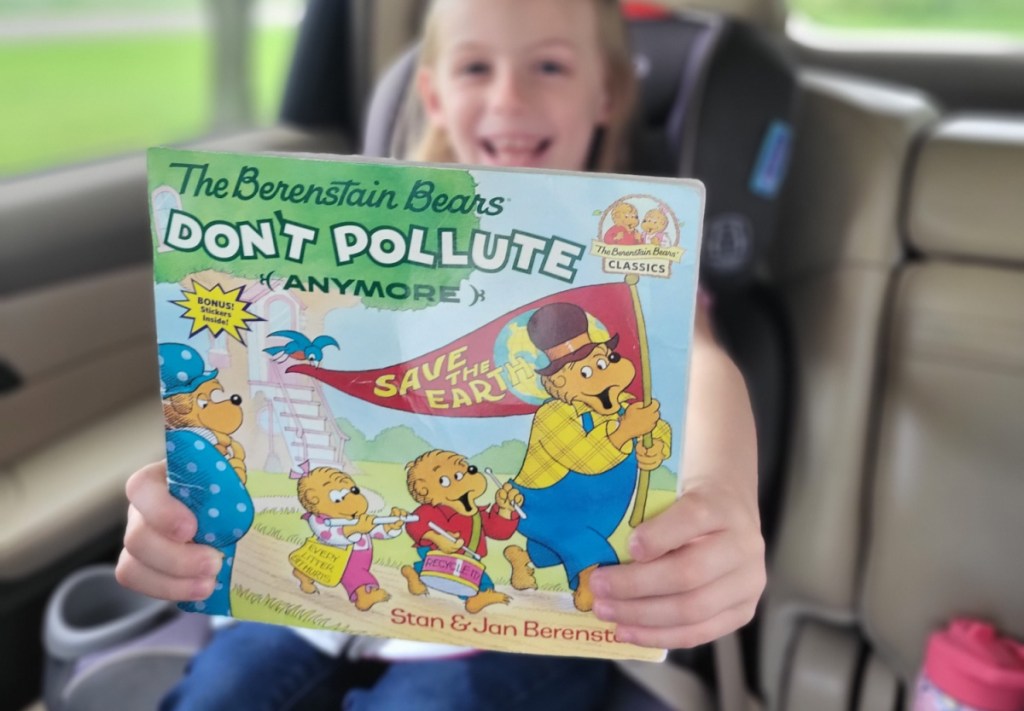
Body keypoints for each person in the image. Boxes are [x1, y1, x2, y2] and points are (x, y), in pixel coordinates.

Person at [115, 0, 765, 708]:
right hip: (314, 605)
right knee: (221, 691)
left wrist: (723, 492)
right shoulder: (366, 243)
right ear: (432, 94)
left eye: (549, 65)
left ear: (605, 92)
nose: (508, 97)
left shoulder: (633, 263)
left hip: (504, 629)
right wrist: (189, 503)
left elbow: (701, 362)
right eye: (475, 67)